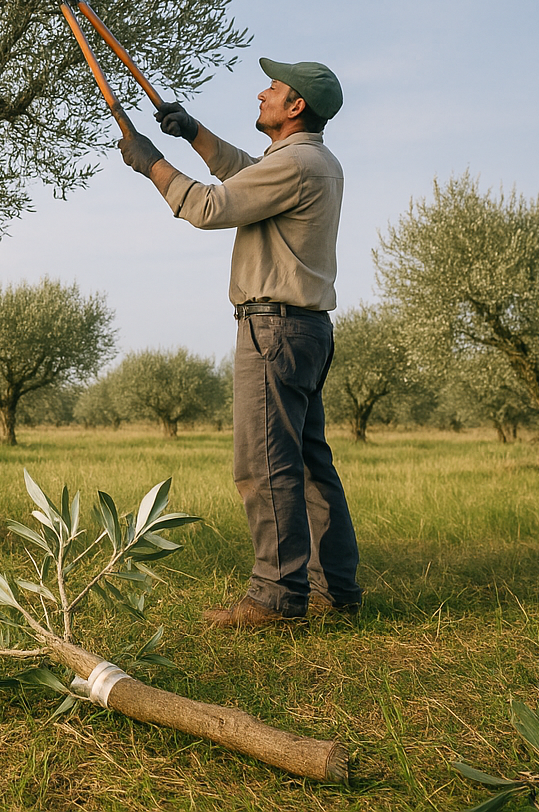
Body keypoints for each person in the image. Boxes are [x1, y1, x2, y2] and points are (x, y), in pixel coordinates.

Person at [117, 58, 362, 628]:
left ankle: (276, 597)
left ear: (295, 106)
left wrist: (153, 164)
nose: (262, 93)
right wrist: (195, 133)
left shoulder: (298, 163)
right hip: (302, 328)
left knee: (265, 464)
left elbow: (209, 207)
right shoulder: (307, 161)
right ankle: (336, 589)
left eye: (272, 89)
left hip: (272, 329)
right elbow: (247, 172)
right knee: (306, 464)